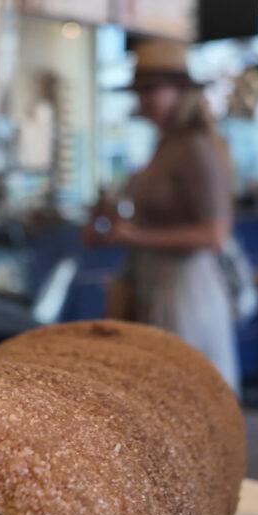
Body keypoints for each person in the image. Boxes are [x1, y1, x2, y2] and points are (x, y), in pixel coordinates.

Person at [87, 39, 239, 391]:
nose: (142, 101)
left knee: (182, 395)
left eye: (151, 90)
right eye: (140, 92)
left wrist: (135, 236)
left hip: (185, 292)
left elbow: (214, 236)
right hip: (159, 285)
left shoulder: (196, 148)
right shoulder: (166, 144)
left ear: (180, 91)